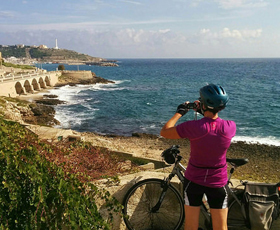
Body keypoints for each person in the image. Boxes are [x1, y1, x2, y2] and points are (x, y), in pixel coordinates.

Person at [160, 84, 236, 230]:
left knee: (190, 226)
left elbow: (165, 131)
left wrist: (180, 112)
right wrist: (205, 112)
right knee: (221, 227)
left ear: (203, 104)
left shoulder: (193, 127)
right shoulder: (230, 126)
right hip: (218, 181)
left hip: (194, 181)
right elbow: (213, 126)